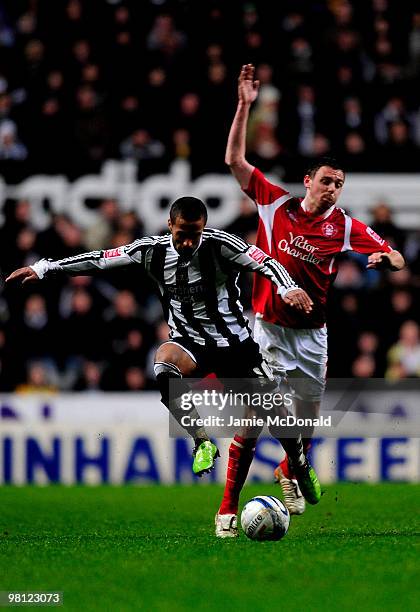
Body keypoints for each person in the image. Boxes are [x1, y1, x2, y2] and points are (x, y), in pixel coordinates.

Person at [7, 197, 321, 534]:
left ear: (203, 228)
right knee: (163, 363)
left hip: (235, 347)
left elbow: (267, 262)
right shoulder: (151, 250)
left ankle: (299, 464)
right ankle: (203, 444)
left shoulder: (221, 245)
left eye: (195, 234)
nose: (188, 241)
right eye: (183, 233)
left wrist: (288, 287)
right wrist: (44, 268)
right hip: (188, 343)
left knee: (274, 420)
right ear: (170, 225)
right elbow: (99, 259)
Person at [224, 64, 405, 516]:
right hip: (268, 327)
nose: (333, 189)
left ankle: (289, 471)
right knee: (255, 419)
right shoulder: (274, 205)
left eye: (339, 184)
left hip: (312, 334)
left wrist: (387, 259)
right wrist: (245, 106)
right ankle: (227, 509)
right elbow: (234, 162)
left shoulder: (343, 226)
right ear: (308, 181)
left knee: (304, 430)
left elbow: (398, 255)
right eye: (326, 180)